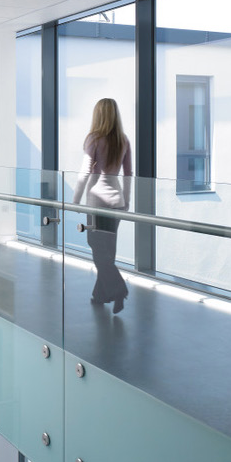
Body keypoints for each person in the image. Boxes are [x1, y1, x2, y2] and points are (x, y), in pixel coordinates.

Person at [72, 98, 133, 314]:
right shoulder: (123, 140)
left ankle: (119, 290)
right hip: (116, 201)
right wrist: (127, 200)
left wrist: (75, 199)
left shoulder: (94, 139)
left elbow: (85, 172)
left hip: (97, 202)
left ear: (98, 115)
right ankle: (100, 294)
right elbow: (128, 174)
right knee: (108, 251)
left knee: (97, 247)